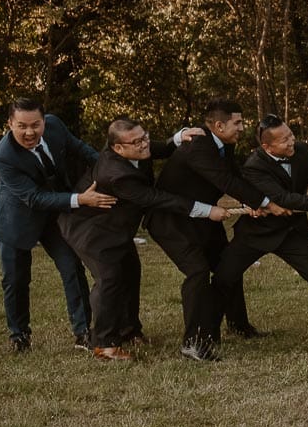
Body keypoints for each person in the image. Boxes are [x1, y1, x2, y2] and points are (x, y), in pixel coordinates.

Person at [62, 117, 229, 361]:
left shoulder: (136, 151)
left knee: (130, 271)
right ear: (118, 148)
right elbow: (157, 198)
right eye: (137, 141)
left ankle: (129, 331)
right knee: (109, 280)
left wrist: (178, 137)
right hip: (91, 231)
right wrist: (207, 210)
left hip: (117, 228)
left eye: (145, 137)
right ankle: (104, 344)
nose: (144, 144)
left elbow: (157, 149)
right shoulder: (117, 173)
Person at [148, 99, 282, 359]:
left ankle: (238, 325)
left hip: (202, 217)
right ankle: (194, 342)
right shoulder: (199, 146)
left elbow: (236, 176)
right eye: (238, 123)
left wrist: (253, 200)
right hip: (171, 220)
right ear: (219, 125)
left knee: (228, 265)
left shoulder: (224, 145)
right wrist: (265, 203)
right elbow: (224, 180)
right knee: (197, 272)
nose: (242, 128)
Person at [217, 115, 308, 344]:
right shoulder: (253, 166)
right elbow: (283, 199)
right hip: (256, 232)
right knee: (225, 277)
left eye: (291, 135)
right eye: (284, 140)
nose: (291, 142)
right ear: (267, 146)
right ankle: (234, 326)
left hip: (292, 232)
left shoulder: (302, 151)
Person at [0, 97, 113, 352]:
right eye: (22, 126)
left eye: (35, 125)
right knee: (15, 280)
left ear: (44, 121)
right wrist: (81, 199)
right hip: (17, 219)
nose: (29, 132)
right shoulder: (2, 157)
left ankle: (82, 333)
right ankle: (19, 336)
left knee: (72, 268)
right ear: (10, 124)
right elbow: (33, 197)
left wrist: (109, 170)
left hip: (55, 215)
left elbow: (81, 149)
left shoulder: (56, 126)